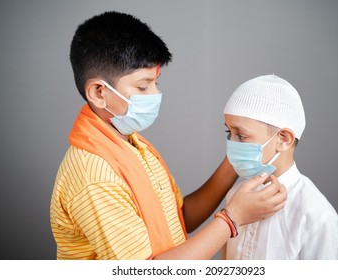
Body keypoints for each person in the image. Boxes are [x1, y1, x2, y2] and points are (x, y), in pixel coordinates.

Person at [49, 11, 287, 260]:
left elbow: (179, 218)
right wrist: (232, 219)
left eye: (156, 83)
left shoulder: (131, 144)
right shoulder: (95, 175)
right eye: (143, 86)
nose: (154, 94)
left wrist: (237, 159)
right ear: (99, 92)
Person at [221, 74, 338, 259]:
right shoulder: (235, 196)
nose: (232, 143)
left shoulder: (314, 213)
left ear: (284, 139)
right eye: (229, 132)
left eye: (241, 135)